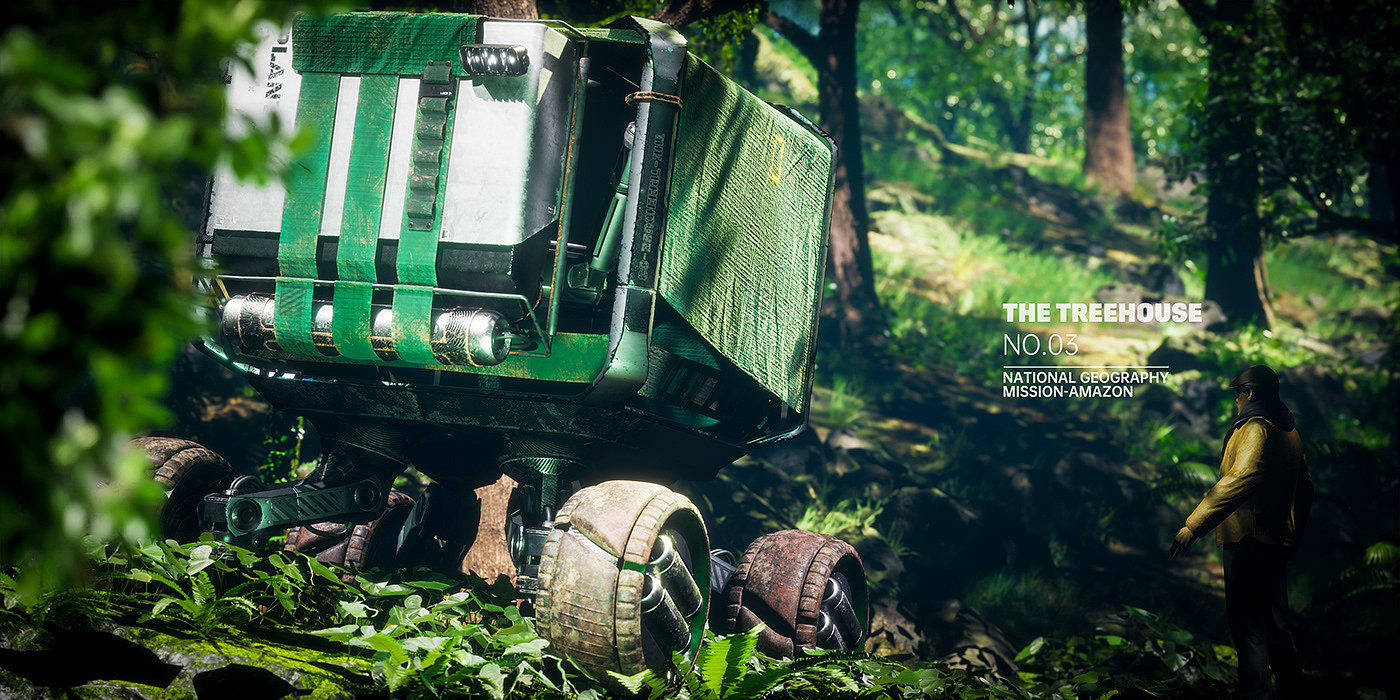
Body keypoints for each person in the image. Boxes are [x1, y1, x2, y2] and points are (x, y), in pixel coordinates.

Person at [1169, 364, 1313, 700]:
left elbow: (1240, 478)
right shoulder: (1290, 432)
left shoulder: (1255, 428)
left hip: (1247, 540)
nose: (1236, 400)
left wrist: (1193, 525)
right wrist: (1295, 535)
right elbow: (1306, 487)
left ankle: (1256, 694)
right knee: (1277, 623)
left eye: (1239, 393)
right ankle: (1292, 690)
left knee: (1248, 623)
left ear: (1250, 394)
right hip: (1277, 540)